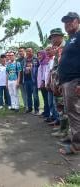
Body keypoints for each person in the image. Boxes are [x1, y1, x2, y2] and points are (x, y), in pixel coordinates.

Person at [59, 12, 80, 155]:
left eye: (70, 21)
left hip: (75, 80)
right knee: (71, 112)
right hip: (67, 81)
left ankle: (77, 146)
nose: (67, 24)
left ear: (77, 21)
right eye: (65, 22)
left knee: (75, 113)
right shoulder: (71, 39)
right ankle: (74, 137)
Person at [23, 48, 40, 114]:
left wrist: (31, 68)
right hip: (26, 80)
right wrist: (26, 69)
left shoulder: (36, 59)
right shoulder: (25, 60)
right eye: (27, 51)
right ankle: (30, 108)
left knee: (35, 96)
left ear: (32, 52)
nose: (28, 52)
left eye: (29, 51)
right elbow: (23, 68)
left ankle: (36, 109)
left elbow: (39, 68)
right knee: (28, 95)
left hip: (34, 80)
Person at [37, 50, 50, 119]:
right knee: (45, 99)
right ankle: (45, 112)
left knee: (46, 99)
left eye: (41, 55)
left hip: (44, 84)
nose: (39, 56)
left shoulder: (45, 63)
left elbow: (45, 74)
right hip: (41, 84)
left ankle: (47, 113)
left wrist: (42, 82)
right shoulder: (41, 63)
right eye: (38, 55)